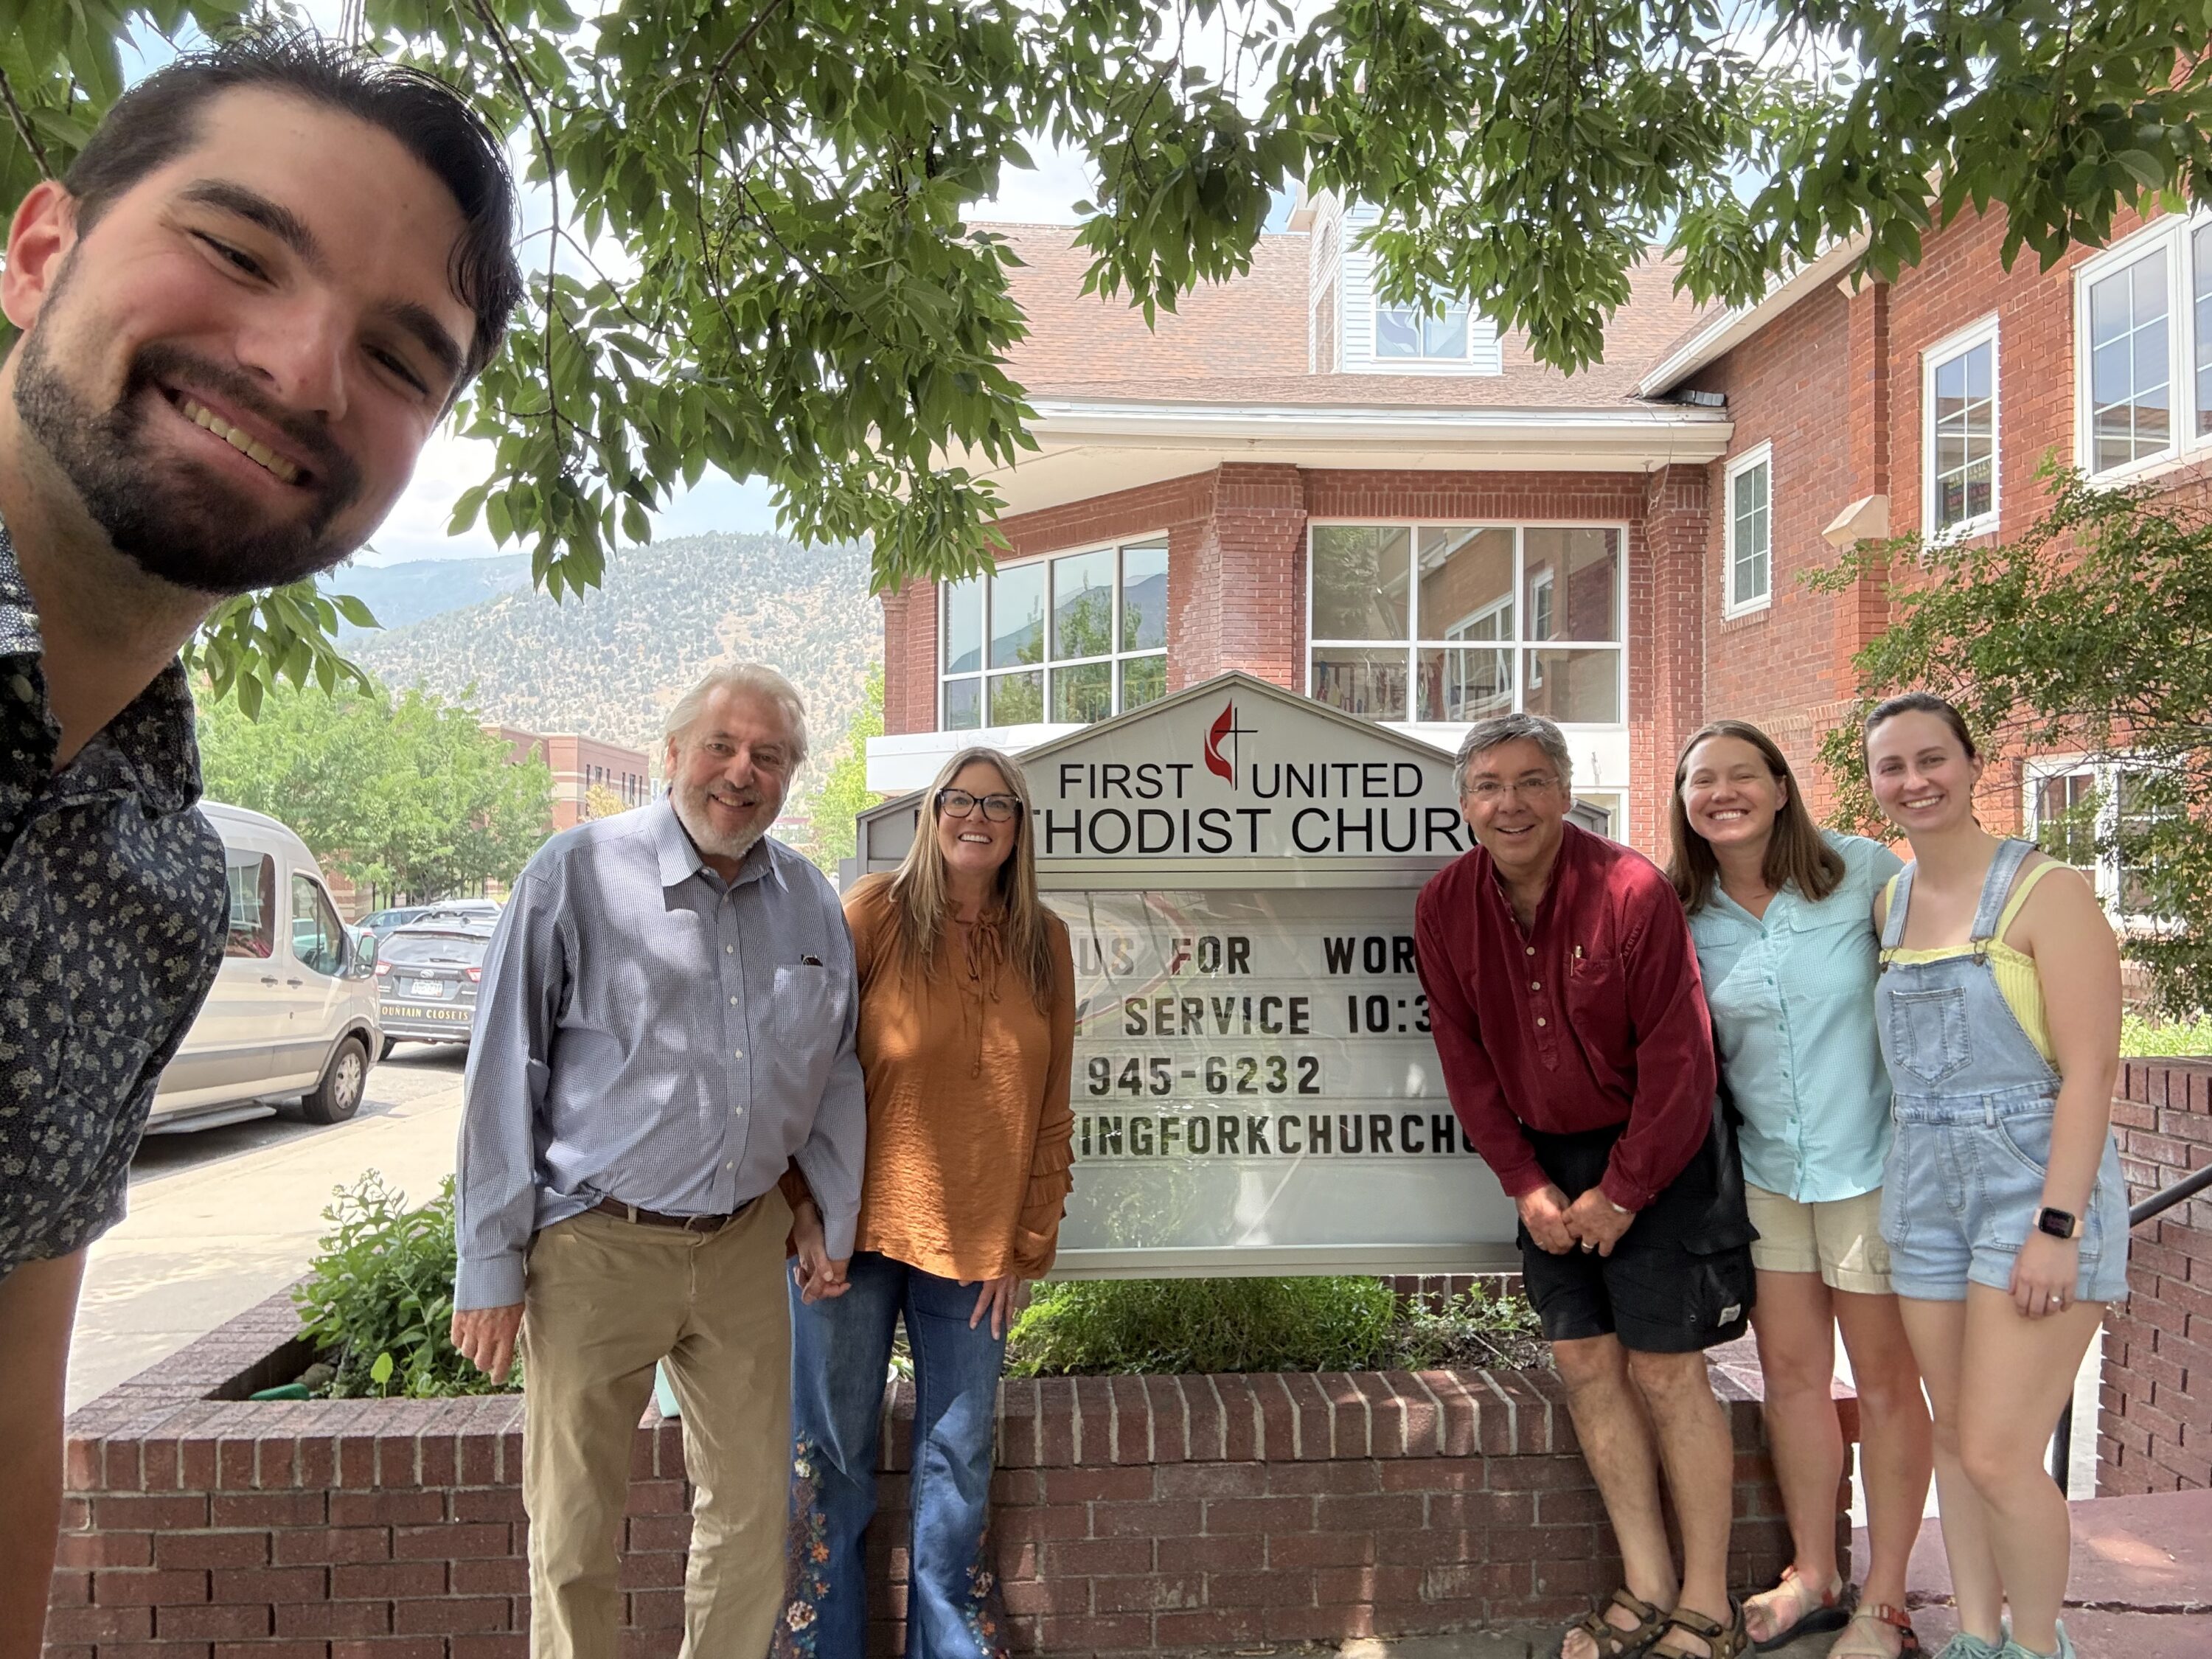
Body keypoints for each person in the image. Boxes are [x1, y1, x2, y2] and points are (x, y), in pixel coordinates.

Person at [0, 38, 519, 1658]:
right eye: (237, 251)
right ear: (38, 250)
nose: (302, 368)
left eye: (399, 356)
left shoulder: (151, 870)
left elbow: (15, 1402)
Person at [451, 663, 868, 1659]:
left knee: (751, 1518)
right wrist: (491, 1261)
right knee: (574, 1532)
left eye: (768, 755)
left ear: (789, 775)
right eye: (721, 746)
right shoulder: (575, 873)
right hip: (597, 1243)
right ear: (671, 754)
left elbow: (831, 1074)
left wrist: (823, 1208)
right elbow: (504, 1072)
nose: (741, 771)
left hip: (742, 1250)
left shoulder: (811, 903)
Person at [1415, 712, 1757, 1659]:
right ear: (1467, 805)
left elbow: (1682, 1061)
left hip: (1661, 1152)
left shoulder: (1630, 887)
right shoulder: (1445, 906)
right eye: (1488, 785)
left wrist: (1625, 1190)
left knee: (1668, 1372)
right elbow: (1465, 1059)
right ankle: (1645, 1585)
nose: (1509, 803)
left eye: (1530, 781)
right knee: (1585, 1366)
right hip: (1546, 1168)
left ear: (1566, 791)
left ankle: (1707, 1604)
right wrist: (1524, 1184)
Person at [779, 745, 1076, 1659]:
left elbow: (1054, 1099)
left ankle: (950, 1643)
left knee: (959, 1468)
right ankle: (824, 1644)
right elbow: (800, 1068)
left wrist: (1026, 1243)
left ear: (1021, 826)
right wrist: (801, 1210)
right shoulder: (870, 914)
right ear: (930, 811)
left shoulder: (1044, 940)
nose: (975, 816)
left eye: (998, 804)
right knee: (831, 1461)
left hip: (979, 1252)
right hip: (848, 1237)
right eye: (958, 798)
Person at [1864, 693, 2129, 1659]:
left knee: (1997, 1448)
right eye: (1893, 766)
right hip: (1924, 1184)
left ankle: (2035, 1643)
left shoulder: (2046, 891)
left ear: (1974, 765)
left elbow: (2093, 1069)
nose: (1915, 780)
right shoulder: (1890, 899)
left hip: (2034, 1185)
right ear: (1875, 783)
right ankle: (1974, 1638)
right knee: (1951, 1435)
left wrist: (2057, 1226)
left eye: (1932, 758)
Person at [1669, 722, 1935, 1659]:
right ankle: (1814, 1573)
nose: (1723, 793)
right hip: (1771, 1180)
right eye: (1703, 780)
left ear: (1782, 788)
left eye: (1744, 774)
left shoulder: (1861, 873)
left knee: (1886, 1382)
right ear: (1685, 801)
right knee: (1790, 1379)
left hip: (1870, 1170)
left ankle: (1889, 1595)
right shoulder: (1683, 913)